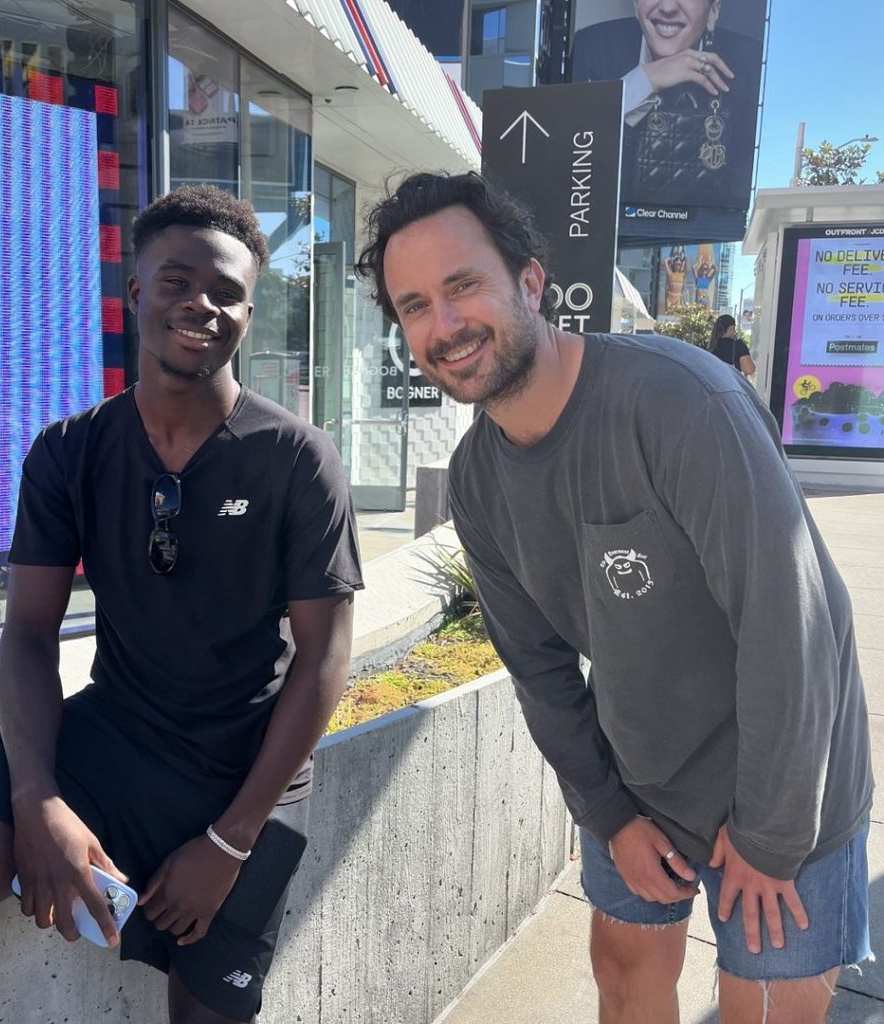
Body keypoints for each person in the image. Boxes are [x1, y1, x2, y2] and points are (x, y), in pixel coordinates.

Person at [355, 170, 874, 1024]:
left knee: (763, 1003)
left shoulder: (678, 404)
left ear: (530, 280)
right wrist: (608, 814)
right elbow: (540, 671)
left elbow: (795, 626)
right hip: (646, 774)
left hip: (789, 768)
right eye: (414, 306)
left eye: (462, 286)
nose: (443, 327)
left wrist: (773, 837)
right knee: (624, 971)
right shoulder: (477, 482)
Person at [0, 185, 363, 1024]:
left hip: (240, 769)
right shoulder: (70, 450)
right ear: (134, 292)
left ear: (248, 311)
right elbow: (26, 637)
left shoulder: (296, 459)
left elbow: (323, 661)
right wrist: (38, 801)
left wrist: (230, 841)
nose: (199, 305)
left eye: (226, 292)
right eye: (175, 281)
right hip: (112, 736)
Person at [573, 1, 762, 210]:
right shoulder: (592, 47)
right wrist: (643, 82)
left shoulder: (751, 65)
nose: (668, 7)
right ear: (636, 5)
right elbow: (570, 155)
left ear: (713, 12)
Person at [709, 313, 756, 377]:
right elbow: (749, 370)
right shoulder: (738, 346)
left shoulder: (711, 347)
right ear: (731, 328)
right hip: (731, 384)